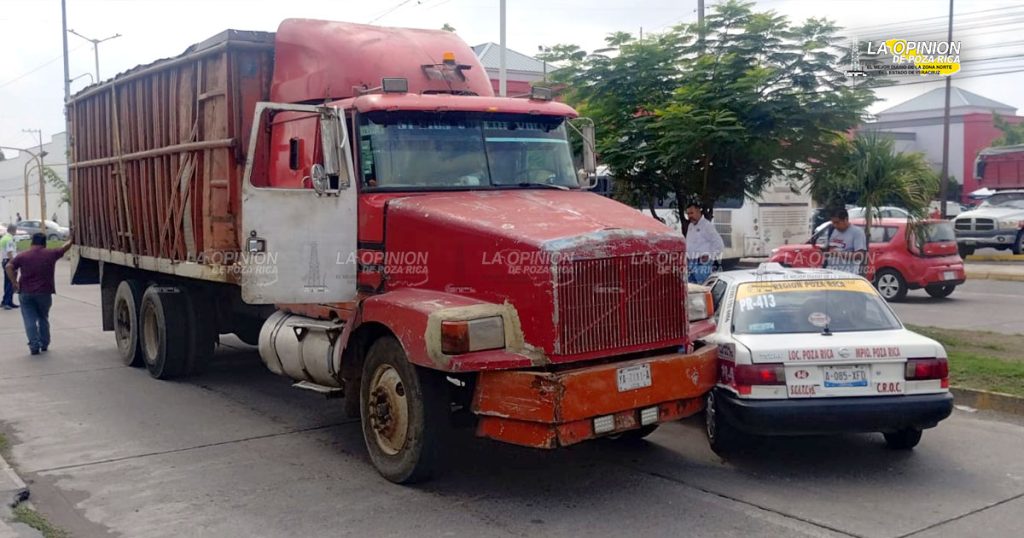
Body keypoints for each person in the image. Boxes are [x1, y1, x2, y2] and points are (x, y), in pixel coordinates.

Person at [6, 232, 73, 355]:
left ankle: (34, 345)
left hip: (26, 292)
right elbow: (64, 248)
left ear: (32, 242)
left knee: (29, 319)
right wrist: (72, 239)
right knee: (43, 317)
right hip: (44, 292)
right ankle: (44, 343)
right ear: (45, 243)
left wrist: (14, 283)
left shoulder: (23, 256)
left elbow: (9, 266)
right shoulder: (51, 254)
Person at [683, 203, 724, 284]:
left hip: (702, 264)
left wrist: (710, 255)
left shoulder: (706, 225)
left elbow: (719, 244)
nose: (689, 216)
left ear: (698, 212)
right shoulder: (690, 226)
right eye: (688, 214)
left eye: (692, 213)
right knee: (692, 289)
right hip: (691, 263)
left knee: (703, 288)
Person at [825, 208, 867, 275]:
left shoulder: (857, 233)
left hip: (848, 274)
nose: (835, 225)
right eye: (833, 222)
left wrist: (838, 254)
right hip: (832, 272)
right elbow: (830, 249)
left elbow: (859, 256)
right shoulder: (833, 230)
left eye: (837, 222)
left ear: (846, 219)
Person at [0, 225, 18, 309]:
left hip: (4, 260)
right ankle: (7, 302)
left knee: (8, 282)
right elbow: (10, 252)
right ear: (13, 230)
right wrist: (13, 262)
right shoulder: (9, 239)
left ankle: (7, 301)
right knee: (11, 282)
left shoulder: (4, 238)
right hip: (9, 261)